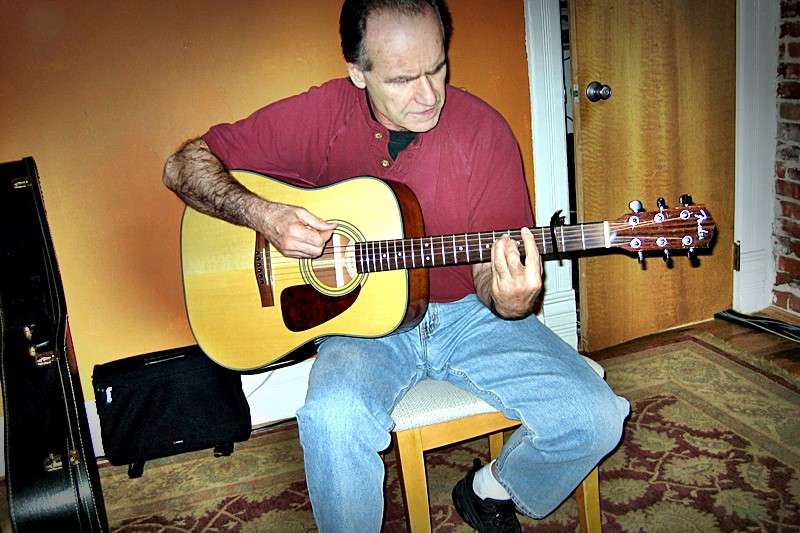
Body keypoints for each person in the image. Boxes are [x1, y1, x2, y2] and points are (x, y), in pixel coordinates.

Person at [163, 1, 630, 531]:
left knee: (595, 416)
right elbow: (183, 165)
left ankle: (490, 488)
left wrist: (511, 297)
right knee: (331, 419)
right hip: (363, 328)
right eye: (404, 79)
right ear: (358, 73)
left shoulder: (485, 133)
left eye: (437, 68)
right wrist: (263, 214)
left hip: (468, 317)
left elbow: (488, 275)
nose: (429, 95)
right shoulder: (321, 116)